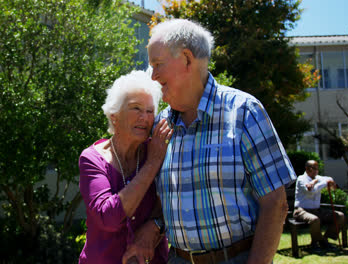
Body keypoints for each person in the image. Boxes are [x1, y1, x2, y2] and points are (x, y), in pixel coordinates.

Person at [125, 19, 297, 264]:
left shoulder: (244, 112)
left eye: (157, 64)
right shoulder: (162, 125)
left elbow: (276, 204)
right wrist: (154, 225)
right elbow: (170, 199)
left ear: (186, 59)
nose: (152, 76)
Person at [78, 70, 172, 264]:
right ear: (114, 116)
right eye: (136, 108)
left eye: (149, 111)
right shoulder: (92, 159)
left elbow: (174, 199)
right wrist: (152, 164)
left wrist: (155, 225)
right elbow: (108, 218)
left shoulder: (158, 149)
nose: (144, 118)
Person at [294, 160, 344, 249]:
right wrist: (322, 182)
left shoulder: (317, 177)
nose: (316, 171)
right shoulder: (301, 179)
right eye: (314, 169)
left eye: (317, 169)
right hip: (301, 210)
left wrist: (315, 181)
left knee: (340, 216)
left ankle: (324, 238)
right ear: (307, 169)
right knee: (315, 220)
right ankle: (317, 243)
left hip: (316, 210)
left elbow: (330, 179)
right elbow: (311, 191)